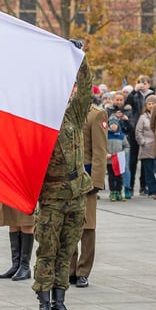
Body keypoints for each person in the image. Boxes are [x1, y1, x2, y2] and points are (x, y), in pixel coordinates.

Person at [33, 46, 91, 310]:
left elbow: (86, 91)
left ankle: (60, 303)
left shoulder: (74, 117)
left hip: (76, 196)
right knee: (47, 250)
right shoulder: (39, 123)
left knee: (67, 252)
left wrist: (80, 59)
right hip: (52, 198)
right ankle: (44, 304)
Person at [70, 100, 107, 288]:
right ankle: (69, 269)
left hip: (86, 177)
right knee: (67, 225)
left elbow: (100, 151)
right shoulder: (64, 110)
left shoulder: (96, 114)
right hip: (66, 177)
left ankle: (83, 271)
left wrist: (97, 181)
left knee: (87, 225)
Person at [0, 195, 34, 281]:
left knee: (26, 221)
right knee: (12, 219)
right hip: (10, 185)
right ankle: (16, 265)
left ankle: (24, 266)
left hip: (24, 186)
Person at [135, 95, 156, 197]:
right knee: (148, 171)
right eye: (149, 104)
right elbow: (138, 131)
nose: (151, 106)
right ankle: (152, 190)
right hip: (147, 147)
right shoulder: (143, 117)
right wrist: (143, 142)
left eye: (153, 103)